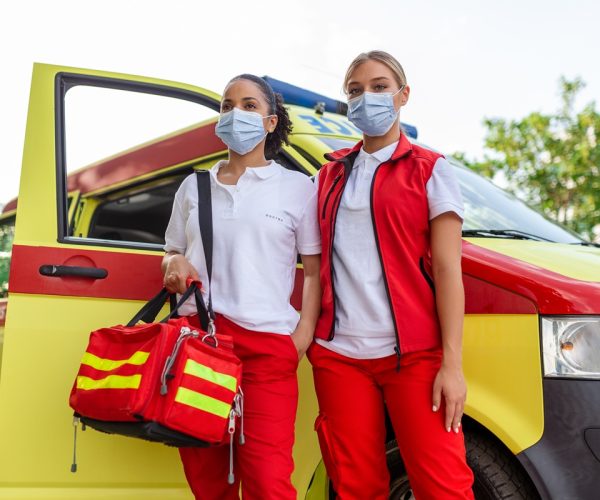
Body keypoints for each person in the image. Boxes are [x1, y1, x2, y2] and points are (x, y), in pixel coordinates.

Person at [308, 50, 474, 499]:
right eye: (356, 91)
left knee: (444, 487)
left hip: (415, 356)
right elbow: (308, 260)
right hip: (338, 357)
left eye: (379, 87)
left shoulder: (430, 169)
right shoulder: (329, 176)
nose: (368, 98)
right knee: (356, 487)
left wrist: (452, 364)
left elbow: (447, 268)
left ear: (403, 96)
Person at [161, 74, 321, 500]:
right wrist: (174, 262)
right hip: (200, 345)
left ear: (270, 122)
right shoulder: (193, 187)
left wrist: (300, 338)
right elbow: (172, 249)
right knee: (208, 482)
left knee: (270, 483)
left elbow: (314, 270)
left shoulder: (298, 188)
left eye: (249, 106)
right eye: (227, 105)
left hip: (269, 349)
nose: (236, 113)